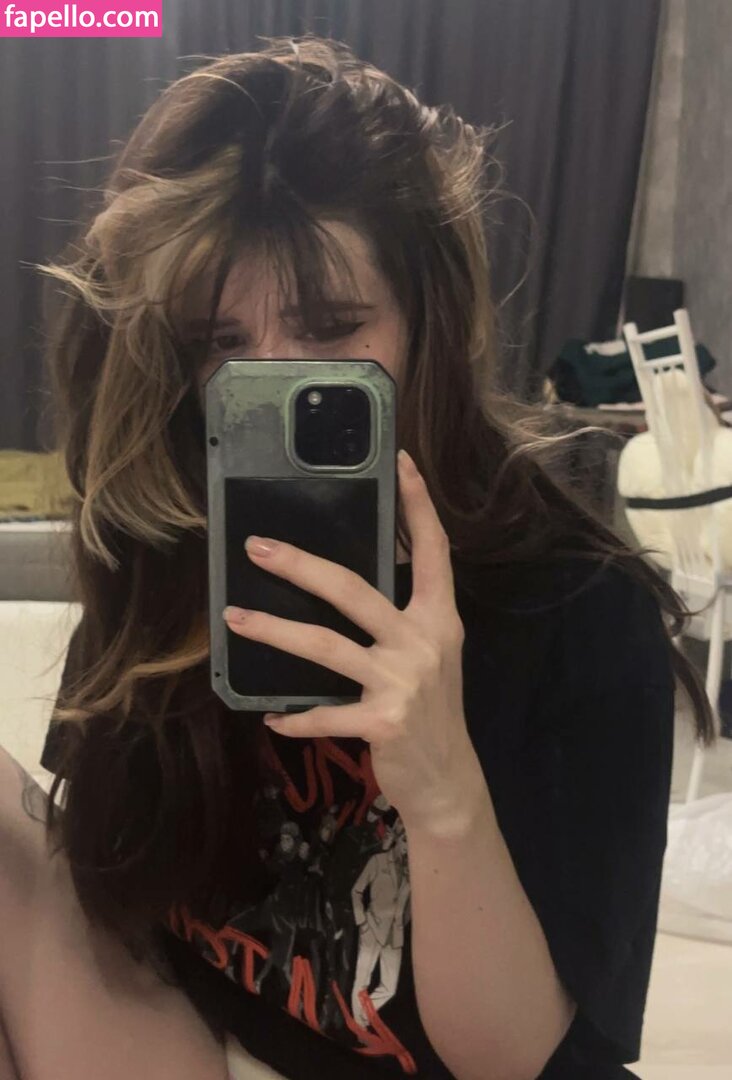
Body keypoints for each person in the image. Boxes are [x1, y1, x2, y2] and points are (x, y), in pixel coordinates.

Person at [0, 35, 714, 1080]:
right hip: (194, 1038)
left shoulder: (575, 609)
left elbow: (523, 1062)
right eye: (218, 342)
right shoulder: (168, 533)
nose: (271, 380)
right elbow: (107, 890)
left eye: (332, 325)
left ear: (431, 325)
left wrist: (442, 792)